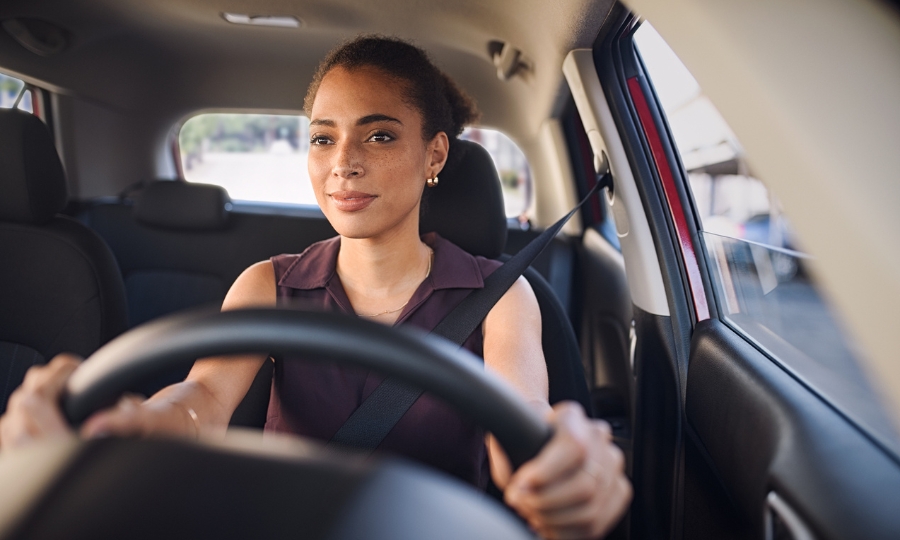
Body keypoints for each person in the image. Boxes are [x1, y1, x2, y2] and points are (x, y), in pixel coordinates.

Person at [0, 36, 631, 539]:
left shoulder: (500, 296)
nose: (342, 162)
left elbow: (519, 427)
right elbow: (201, 400)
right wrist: (131, 426)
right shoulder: (267, 283)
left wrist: (562, 467)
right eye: (324, 137)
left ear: (435, 155)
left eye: (379, 135)